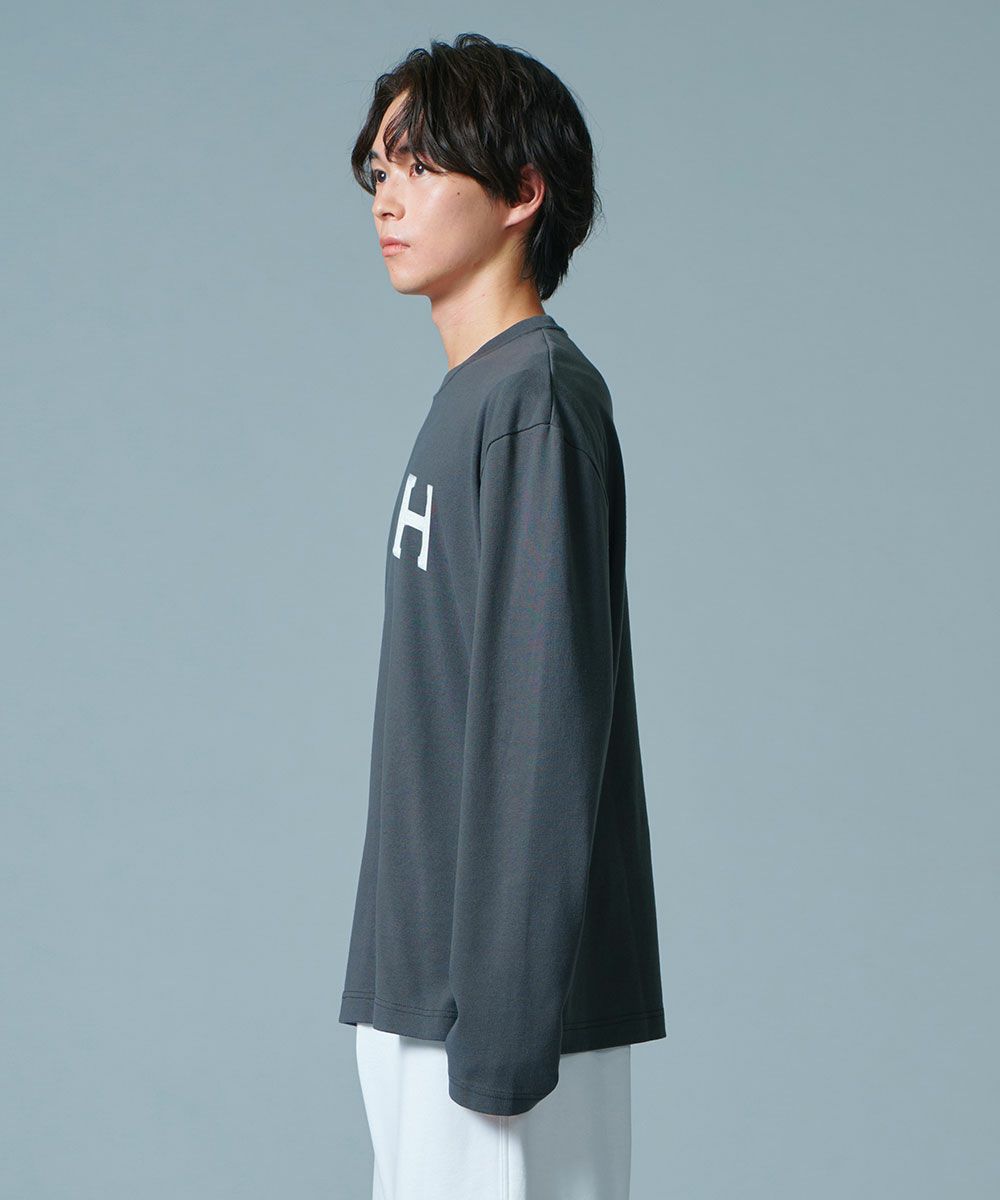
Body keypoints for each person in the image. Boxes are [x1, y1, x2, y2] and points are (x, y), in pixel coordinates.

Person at [338, 32, 667, 1200]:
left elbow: (542, 724)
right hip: (425, 991)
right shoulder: (474, 399)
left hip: (492, 1020)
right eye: (380, 169)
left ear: (522, 191)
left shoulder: (532, 398)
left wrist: (506, 1030)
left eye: (423, 166)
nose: (389, 197)